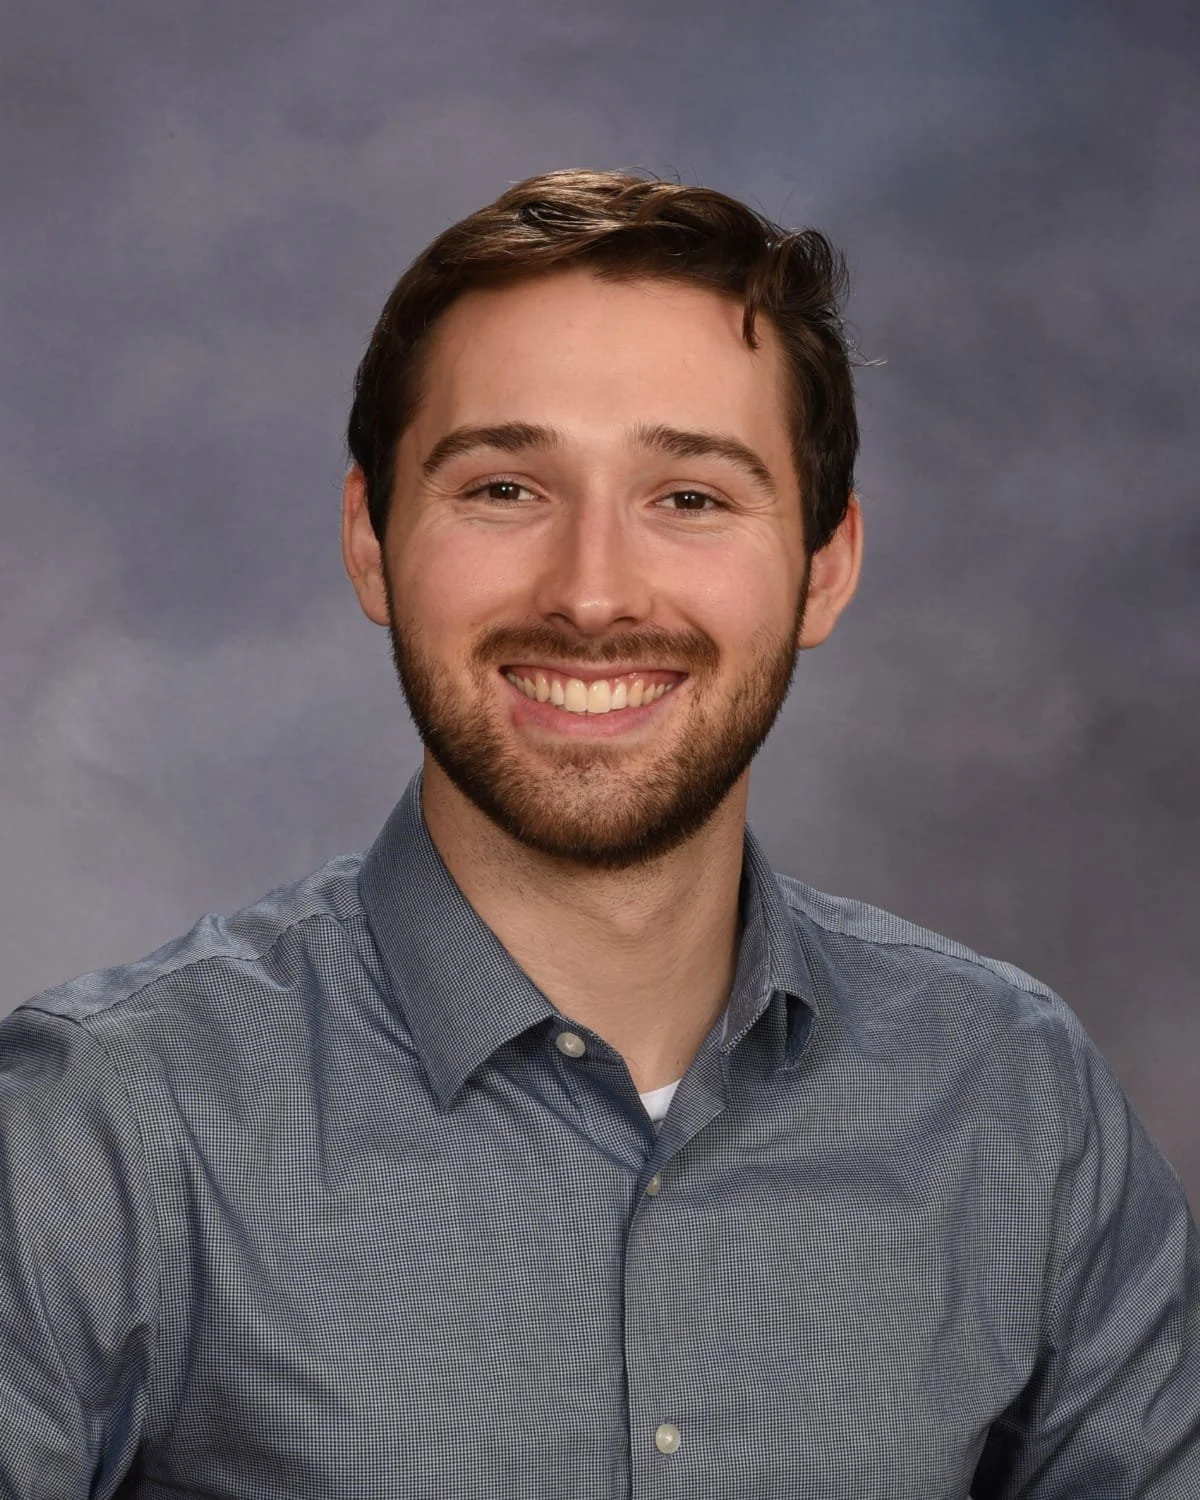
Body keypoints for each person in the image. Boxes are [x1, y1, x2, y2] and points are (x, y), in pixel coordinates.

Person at [1, 169, 1196, 1500]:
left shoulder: (1015, 1102)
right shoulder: (101, 1126)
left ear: (826, 567)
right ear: (371, 545)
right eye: (506, 488)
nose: (591, 592)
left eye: (689, 497)